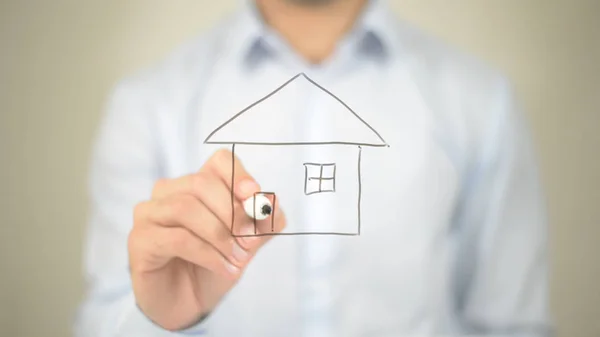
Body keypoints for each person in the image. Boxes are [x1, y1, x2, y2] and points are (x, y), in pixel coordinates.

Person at [75, 0, 551, 336]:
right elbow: (102, 319)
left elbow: (510, 325)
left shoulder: (483, 103)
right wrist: (157, 320)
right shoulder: (147, 105)